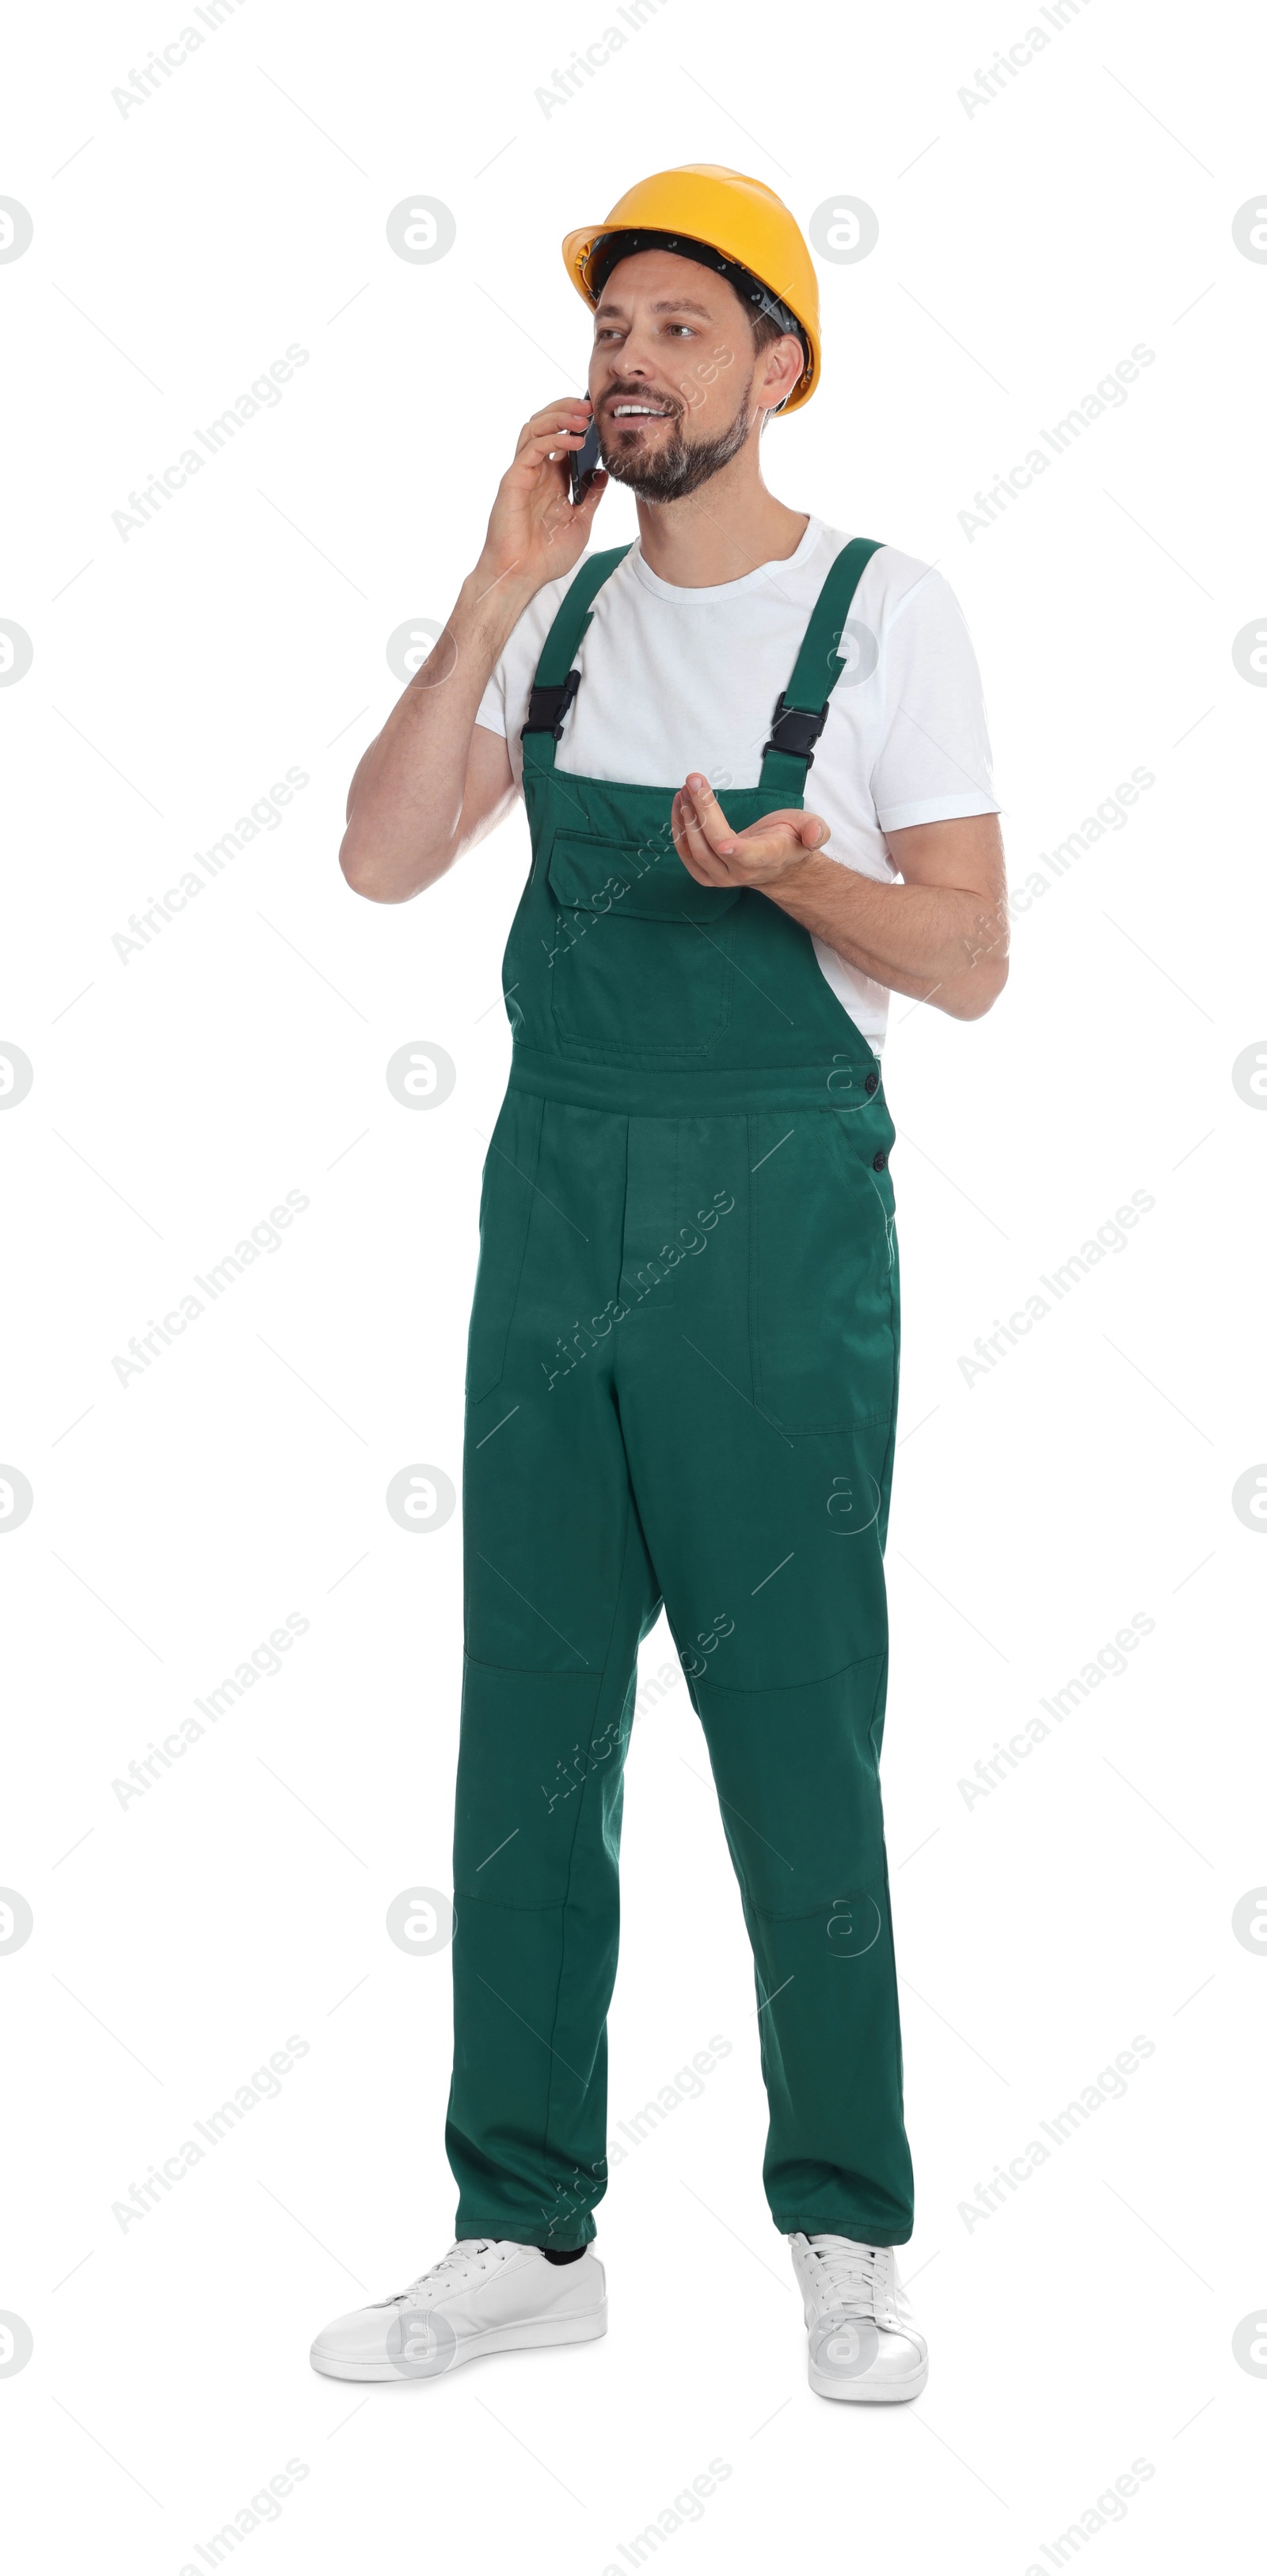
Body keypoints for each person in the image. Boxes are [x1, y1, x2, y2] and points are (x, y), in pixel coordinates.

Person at [310, 164, 1006, 2404]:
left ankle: (848, 2230)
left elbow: (977, 964)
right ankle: (522, 2227)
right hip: (552, 1222)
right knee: (528, 1730)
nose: (633, 365)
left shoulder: (892, 614)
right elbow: (387, 855)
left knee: (797, 1725)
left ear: (779, 370)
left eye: (685, 330)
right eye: (618, 330)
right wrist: (488, 584)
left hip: (778, 1236)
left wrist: (805, 877)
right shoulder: (563, 611)